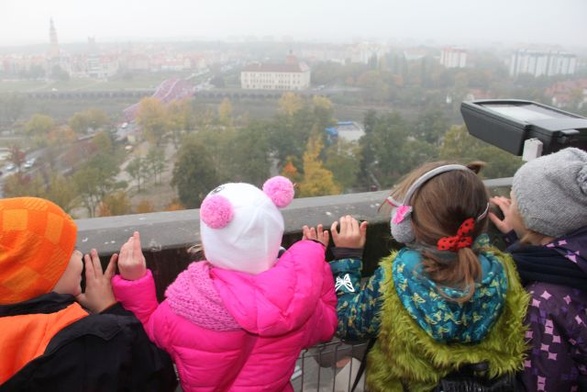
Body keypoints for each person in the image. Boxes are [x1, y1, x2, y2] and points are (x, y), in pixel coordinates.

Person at [304, 161, 530, 391]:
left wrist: (347, 260)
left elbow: (347, 324)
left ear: (405, 225)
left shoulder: (397, 274)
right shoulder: (503, 268)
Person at [111, 176, 338, 392]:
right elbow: (328, 325)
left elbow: (146, 335)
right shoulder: (298, 306)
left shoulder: (182, 309)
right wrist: (315, 266)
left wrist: (135, 282)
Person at [0, 197, 177, 392]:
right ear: (44, 272)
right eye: (72, 251)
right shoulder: (98, 340)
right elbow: (160, 377)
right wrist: (111, 310)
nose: (79, 256)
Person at [489, 147, 587, 391]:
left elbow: (546, 381)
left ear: (536, 220)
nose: (508, 206)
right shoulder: (573, 263)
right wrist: (521, 239)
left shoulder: (543, 301)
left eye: (515, 202)